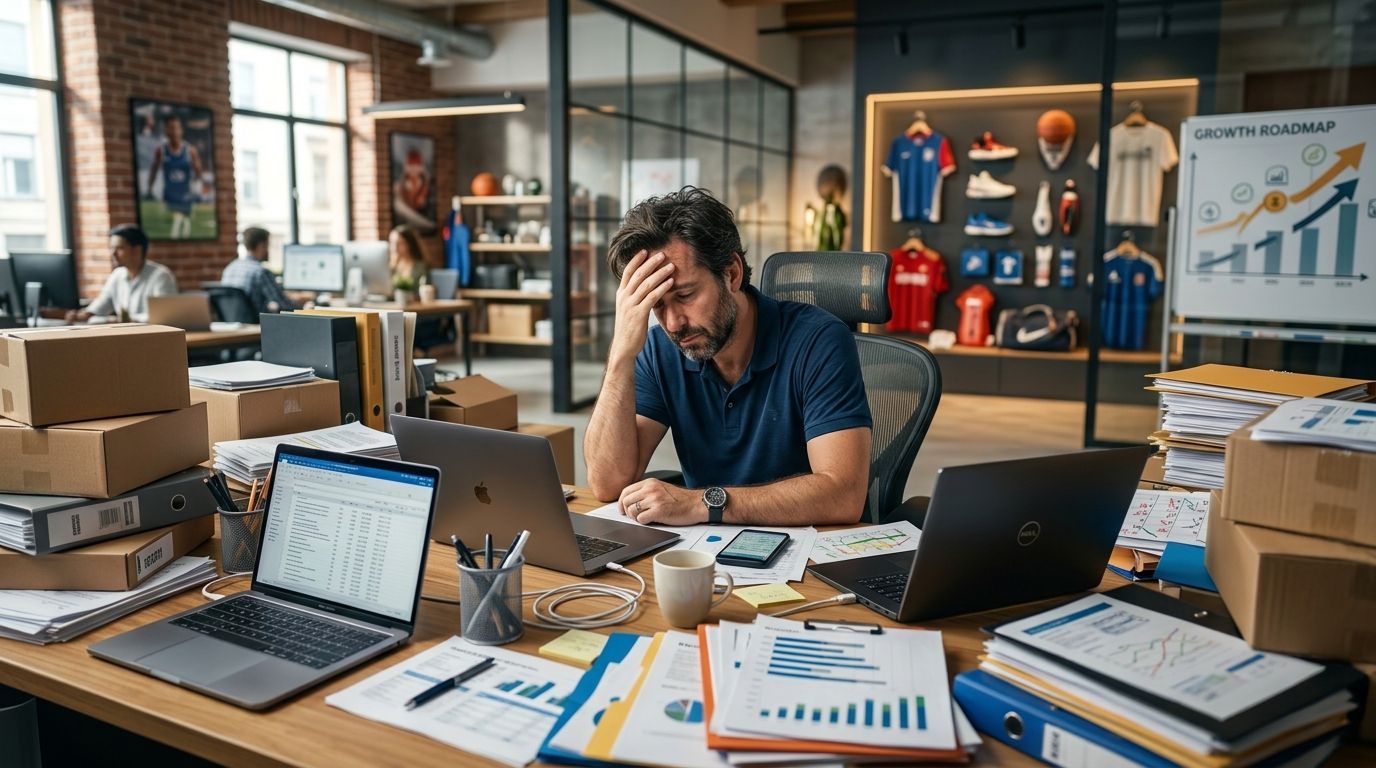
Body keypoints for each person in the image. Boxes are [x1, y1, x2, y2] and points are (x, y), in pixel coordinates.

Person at [584, 187, 872, 527]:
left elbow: (843, 495)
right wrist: (620, 355)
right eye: (656, 305)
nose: (674, 322)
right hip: (709, 551)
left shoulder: (819, 340)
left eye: (686, 295)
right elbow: (607, 483)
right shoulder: (661, 348)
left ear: (732, 273)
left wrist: (703, 503)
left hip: (813, 551)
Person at [68, 224, 178, 323]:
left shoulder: (161, 276)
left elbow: (164, 317)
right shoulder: (117, 275)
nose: (113, 253)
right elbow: (103, 302)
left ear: (137, 251)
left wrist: (128, 319)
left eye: (119, 248)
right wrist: (85, 314)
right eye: (111, 248)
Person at [145, 114, 203, 240]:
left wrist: (197, 189)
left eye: (176, 128)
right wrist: (150, 189)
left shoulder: (190, 150)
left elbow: (199, 173)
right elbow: (154, 170)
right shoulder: (161, 150)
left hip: (186, 195)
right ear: (166, 130)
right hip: (169, 195)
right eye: (171, 128)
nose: (174, 131)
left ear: (181, 130)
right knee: (172, 225)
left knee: (184, 225)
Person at [221, 226, 297, 314]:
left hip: (231, 324)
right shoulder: (260, 272)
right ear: (261, 245)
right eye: (268, 245)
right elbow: (283, 303)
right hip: (256, 324)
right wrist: (305, 308)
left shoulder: (230, 268)